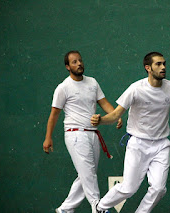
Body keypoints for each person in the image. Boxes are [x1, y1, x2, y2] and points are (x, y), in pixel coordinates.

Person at [90, 52, 170, 213]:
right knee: (129, 188)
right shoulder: (136, 89)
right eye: (158, 64)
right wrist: (101, 120)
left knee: (159, 189)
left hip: (161, 145)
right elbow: (117, 114)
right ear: (148, 68)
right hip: (138, 143)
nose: (163, 67)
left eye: (164, 64)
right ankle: (100, 207)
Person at [42, 50, 122, 213]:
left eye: (80, 60)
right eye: (74, 62)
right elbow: (54, 115)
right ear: (67, 67)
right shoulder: (63, 88)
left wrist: (115, 115)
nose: (79, 64)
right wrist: (48, 137)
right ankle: (97, 206)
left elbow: (104, 102)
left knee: (87, 173)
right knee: (88, 173)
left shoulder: (92, 83)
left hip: (93, 134)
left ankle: (65, 209)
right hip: (75, 134)